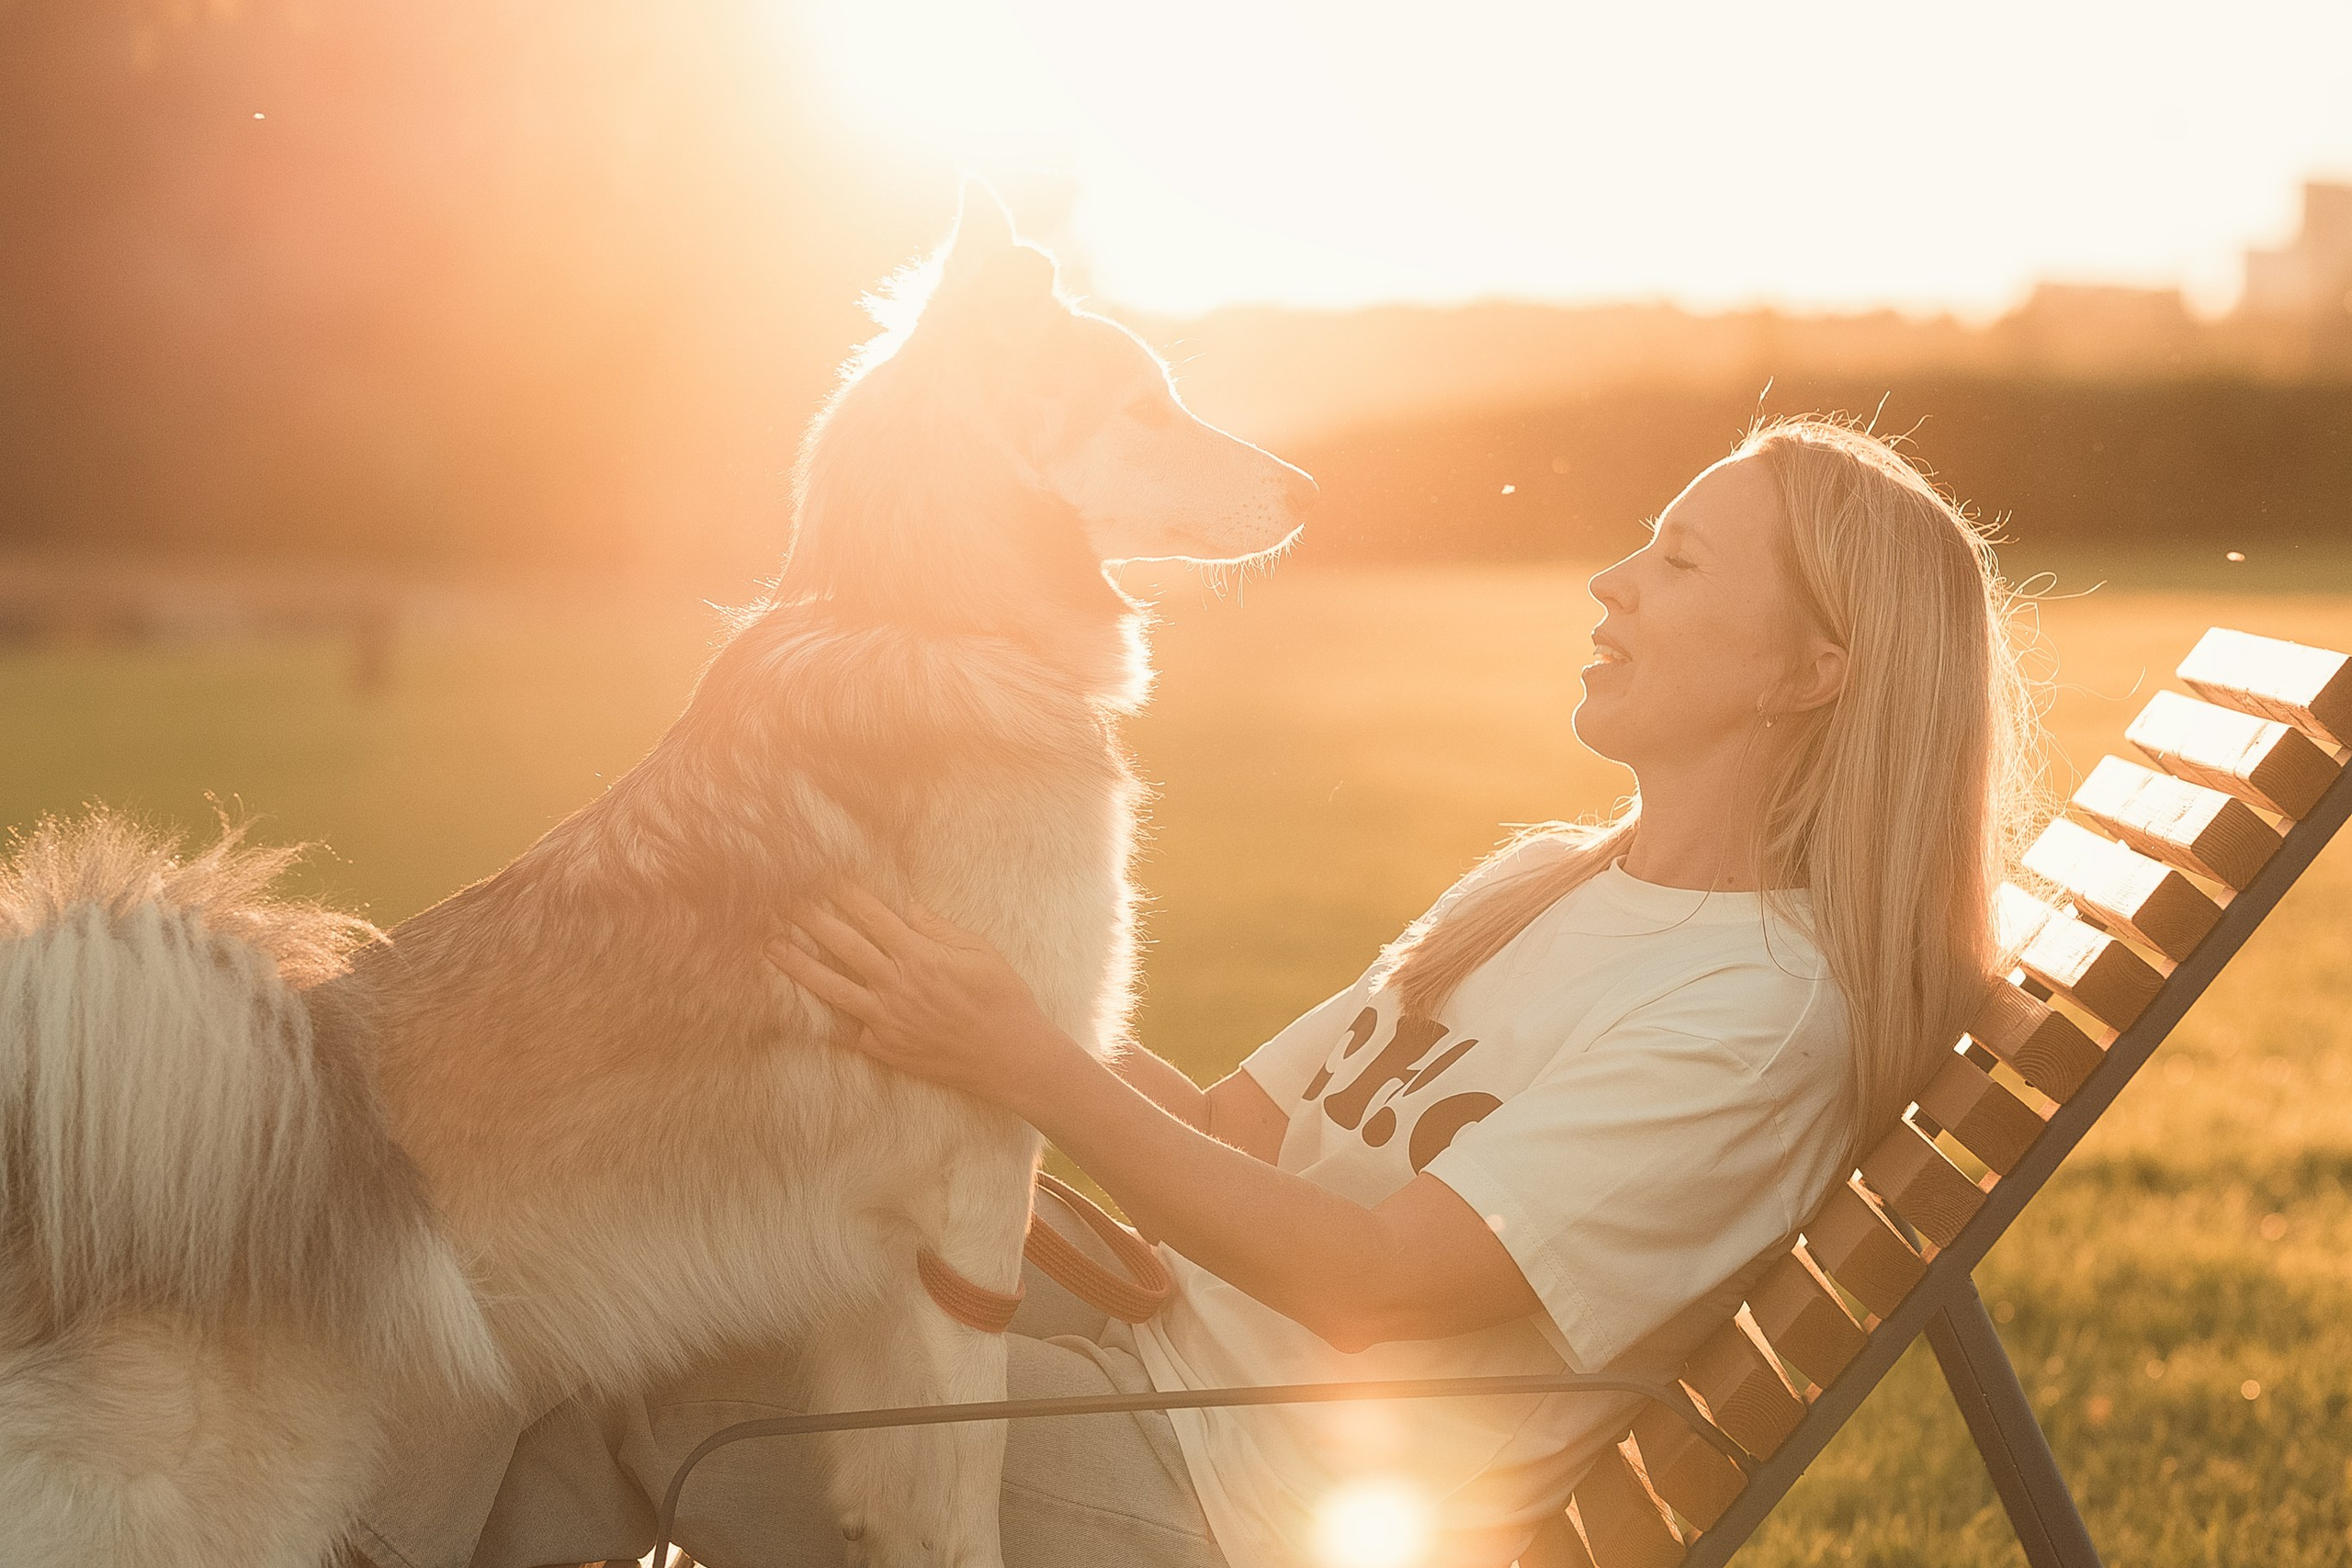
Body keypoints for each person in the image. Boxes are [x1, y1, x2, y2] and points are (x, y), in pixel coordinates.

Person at [353, 415, 2041, 1568]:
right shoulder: (1552, 882)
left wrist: (1018, 1055)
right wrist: (962, 984)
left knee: (626, 1367)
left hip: (1222, 1493)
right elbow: (1241, 1126)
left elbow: (1378, 1282)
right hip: (1154, 1357)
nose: (1612, 583)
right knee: (621, 1257)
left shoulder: (1755, 1018)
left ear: (1814, 672)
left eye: (1678, 564)